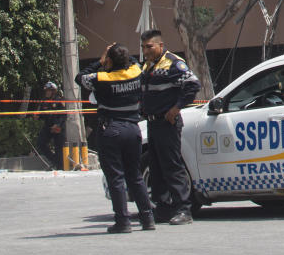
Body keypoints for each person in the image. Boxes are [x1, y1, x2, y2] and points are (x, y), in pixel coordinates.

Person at [79, 43, 155, 234]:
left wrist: (101, 60)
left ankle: (123, 221)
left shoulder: (101, 78)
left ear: (109, 61)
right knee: (135, 175)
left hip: (111, 129)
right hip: (133, 128)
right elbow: (136, 62)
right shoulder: (136, 72)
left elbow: (80, 77)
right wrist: (118, 57)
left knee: (116, 178)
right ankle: (147, 218)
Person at [140, 29, 202, 225]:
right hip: (152, 123)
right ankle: (164, 208)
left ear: (160, 45)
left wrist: (176, 109)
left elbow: (192, 84)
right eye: (143, 47)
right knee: (156, 167)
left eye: (149, 47)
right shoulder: (147, 66)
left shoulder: (174, 63)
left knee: (172, 166)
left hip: (167, 123)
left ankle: (183, 209)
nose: (145, 51)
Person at [34, 82, 66, 171]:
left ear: (53, 91)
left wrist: (58, 125)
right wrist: (37, 116)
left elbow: (64, 115)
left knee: (59, 148)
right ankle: (54, 161)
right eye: (46, 91)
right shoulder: (44, 102)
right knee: (40, 143)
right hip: (48, 127)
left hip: (58, 128)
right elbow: (41, 114)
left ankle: (60, 167)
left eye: (49, 91)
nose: (47, 92)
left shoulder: (59, 101)